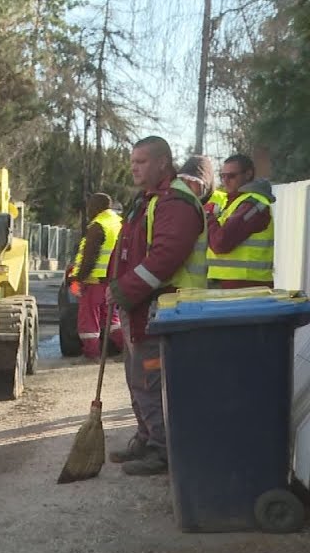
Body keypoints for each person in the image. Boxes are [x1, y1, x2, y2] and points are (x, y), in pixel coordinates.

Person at [106, 136, 207, 476]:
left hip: (165, 309)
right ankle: (147, 439)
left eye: (142, 161)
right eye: (132, 160)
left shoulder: (175, 202)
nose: (133, 167)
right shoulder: (148, 200)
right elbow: (128, 250)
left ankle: (163, 451)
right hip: (142, 307)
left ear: (163, 162)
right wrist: (116, 288)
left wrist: (125, 290)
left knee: (151, 379)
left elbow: (165, 257)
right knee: (138, 378)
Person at [207, 153, 276, 289]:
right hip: (233, 285)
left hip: (247, 287)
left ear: (248, 174)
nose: (225, 181)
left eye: (231, 176)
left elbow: (221, 242)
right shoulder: (235, 202)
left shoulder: (253, 203)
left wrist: (209, 218)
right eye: (223, 176)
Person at [69, 192, 124, 359]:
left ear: (96, 207)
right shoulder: (118, 222)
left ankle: (91, 355)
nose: (88, 210)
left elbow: (90, 257)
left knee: (89, 321)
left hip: (94, 281)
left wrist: (76, 277)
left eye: (90, 207)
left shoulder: (98, 225)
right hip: (113, 280)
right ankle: (127, 349)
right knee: (112, 319)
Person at [176, 154, 226, 219]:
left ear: (205, 184)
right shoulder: (176, 202)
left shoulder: (225, 201)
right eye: (183, 179)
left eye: (192, 180)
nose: (186, 185)